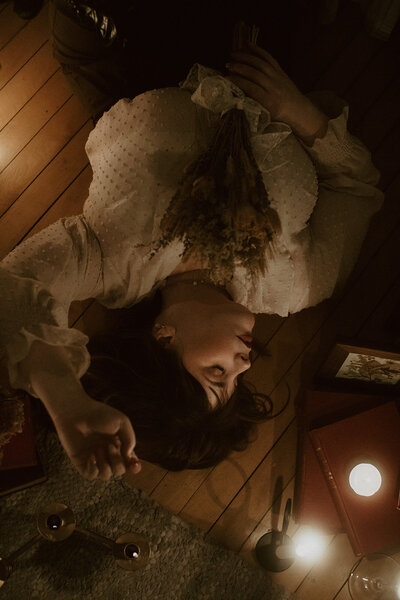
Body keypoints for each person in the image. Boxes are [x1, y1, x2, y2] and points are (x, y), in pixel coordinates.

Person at [0, 1, 384, 482]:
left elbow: (14, 286)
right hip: (256, 46)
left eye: (216, 374)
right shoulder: (298, 285)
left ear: (163, 337)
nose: (244, 362)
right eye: (238, 380)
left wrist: (65, 399)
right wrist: (299, 112)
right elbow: (358, 188)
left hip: (124, 48)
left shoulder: (113, 264)